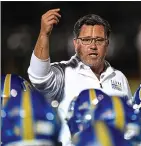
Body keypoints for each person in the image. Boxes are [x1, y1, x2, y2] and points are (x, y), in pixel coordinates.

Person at [27, 8, 132, 146]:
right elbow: (38, 76)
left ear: (107, 44)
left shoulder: (118, 77)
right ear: (76, 43)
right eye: (86, 40)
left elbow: (130, 121)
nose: (93, 46)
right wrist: (44, 34)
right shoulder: (64, 72)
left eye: (99, 40)